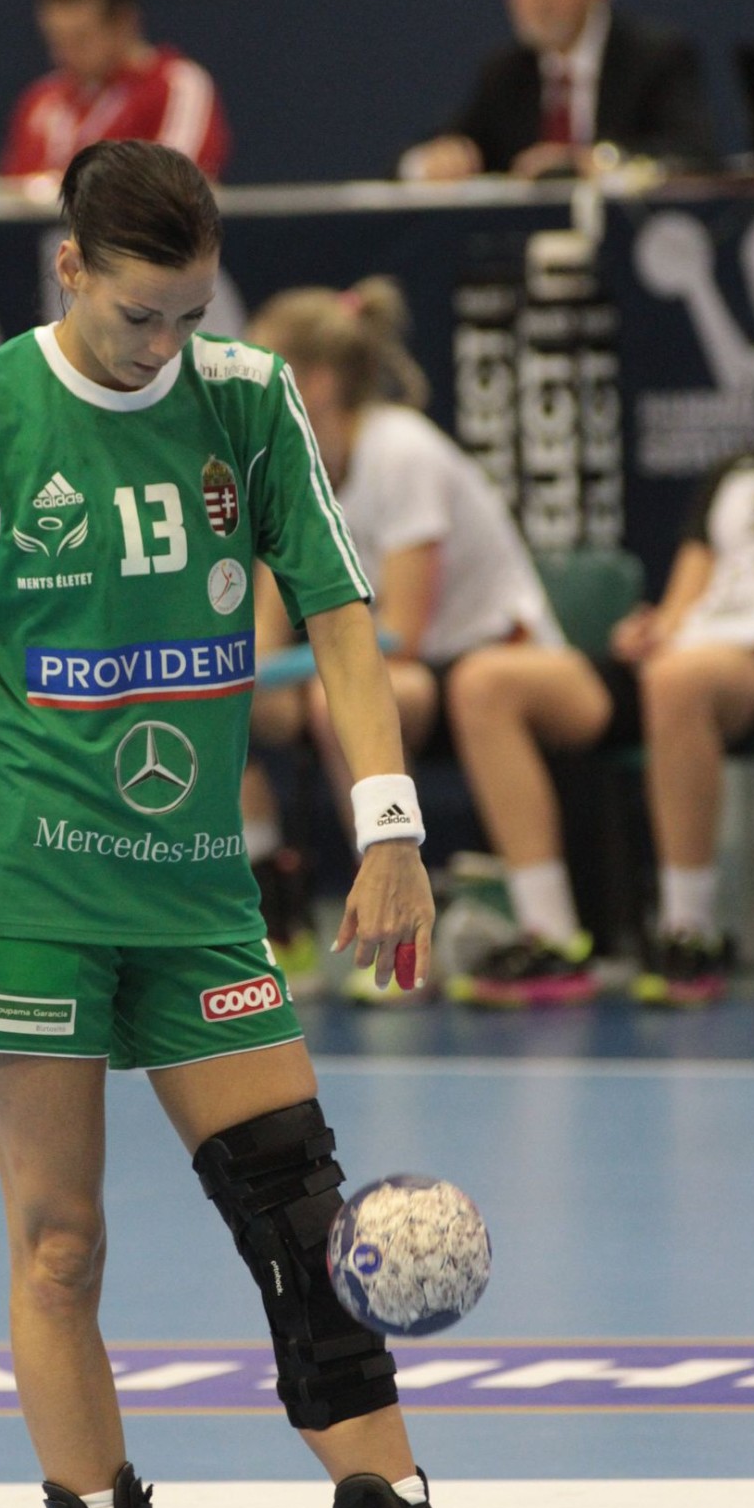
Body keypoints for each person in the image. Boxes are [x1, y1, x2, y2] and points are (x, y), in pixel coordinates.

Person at [0, 139, 599, 1508]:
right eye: (138, 315)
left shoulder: (249, 399)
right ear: (69, 268)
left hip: (195, 888)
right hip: (28, 890)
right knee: (61, 1244)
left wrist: (390, 830)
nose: (164, 346)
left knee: (302, 1223)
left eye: (190, 314)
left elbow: (341, 618)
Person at [445, 280, 754, 1009]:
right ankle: (553, 937)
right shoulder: (735, 475)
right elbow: (688, 599)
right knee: (486, 681)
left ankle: (688, 934)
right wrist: (657, 628)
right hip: (701, 657)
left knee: (681, 680)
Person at [241, 279, 565, 998]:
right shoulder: (284, 468)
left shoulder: (402, 451)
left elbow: (401, 637)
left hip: (484, 655)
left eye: (263, 370)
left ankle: (393, 924)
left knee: (336, 703)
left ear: (317, 382)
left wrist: (291, 668)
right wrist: (238, 676)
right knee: (224, 699)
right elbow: (264, 636)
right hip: (392, 667)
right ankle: (275, 924)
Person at [399, 0, 716, 182]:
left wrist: (590, 161)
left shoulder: (652, 56)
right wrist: (435, 160)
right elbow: (447, 145)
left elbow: (694, 153)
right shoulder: (508, 71)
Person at [0, 0, 230, 195]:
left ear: (124, 23)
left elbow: (180, 190)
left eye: (81, 39)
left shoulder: (177, 84)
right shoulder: (40, 97)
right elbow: (10, 194)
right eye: (56, 40)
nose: (63, 55)